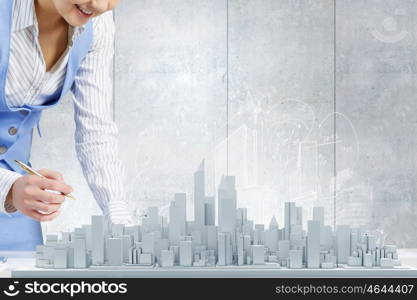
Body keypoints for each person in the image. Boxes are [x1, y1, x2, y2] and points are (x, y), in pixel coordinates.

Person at [0, 0, 133, 251]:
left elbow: (95, 128)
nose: (100, 5)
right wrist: (7, 186)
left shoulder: (96, 24)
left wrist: (118, 215)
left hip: (19, 203)